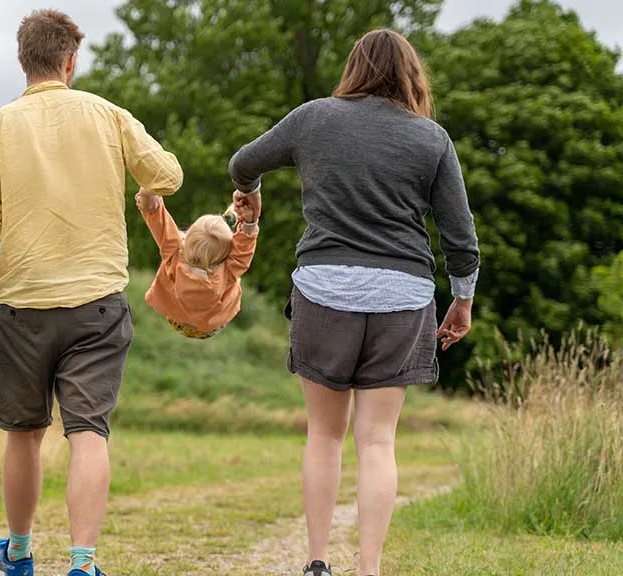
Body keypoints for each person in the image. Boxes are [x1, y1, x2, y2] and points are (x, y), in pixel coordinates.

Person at [229, 29, 480, 576]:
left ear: (354, 68)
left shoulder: (313, 118)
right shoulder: (431, 139)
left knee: (324, 434)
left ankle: (316, 563)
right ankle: (368, 569)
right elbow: (460, 238)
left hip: (324, 291)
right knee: (377, 441)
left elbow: (242, 163)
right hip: (403, 297)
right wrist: (461, 301)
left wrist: (251, 195)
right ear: (411, 77)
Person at [0, 9, 183, 576]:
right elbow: (168, 175)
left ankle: (20, 553)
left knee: (24, 434)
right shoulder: (108, 116)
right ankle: (82, 564)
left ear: (24, 61)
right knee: (87, 432)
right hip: (97, 303)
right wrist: (143, 190)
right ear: (70, 61)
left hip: (20, 305)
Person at [135, 188, 260, 339]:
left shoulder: (174, 251)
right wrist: (249, 222)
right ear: (225, 256)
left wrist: (149, 192)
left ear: (187, 239)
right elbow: (243, 251)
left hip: (176, 317)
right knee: (234, 278)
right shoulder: (227, 272)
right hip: (210, 325)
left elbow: (156, 216)